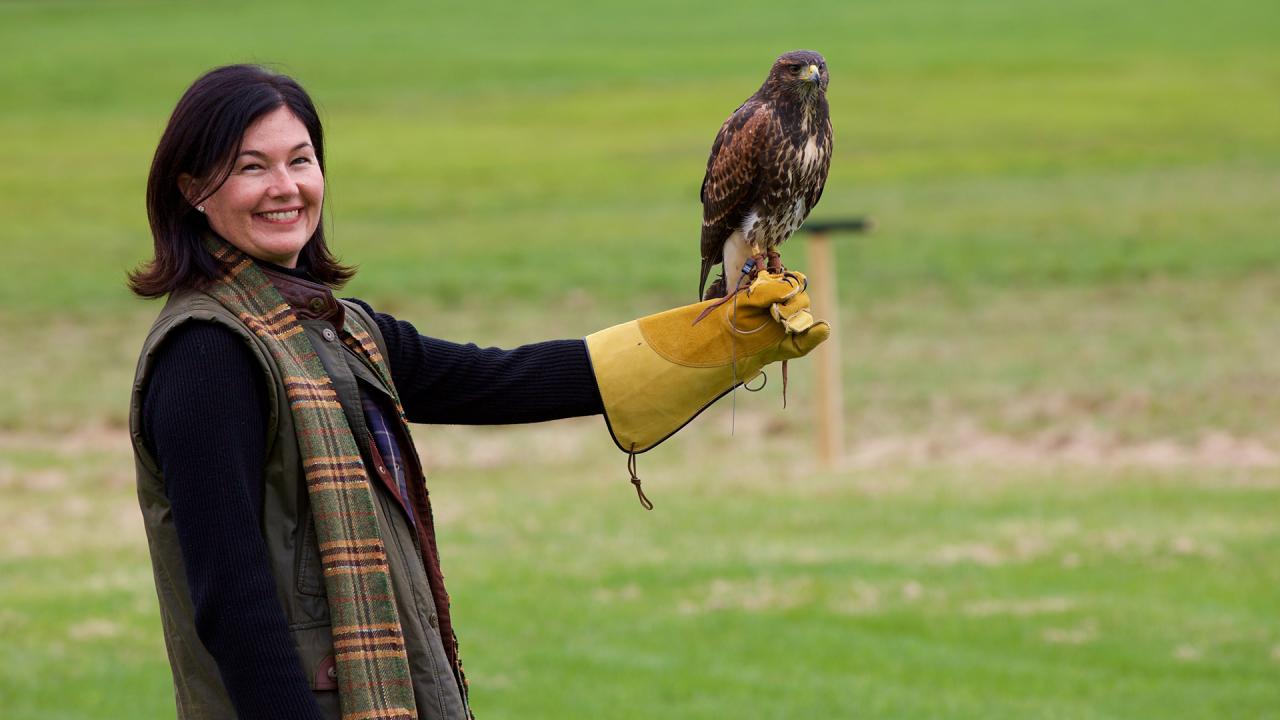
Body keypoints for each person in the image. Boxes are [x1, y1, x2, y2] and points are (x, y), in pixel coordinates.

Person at [127, 64, 828, 720]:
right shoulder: (206, 354)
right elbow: (233, 605)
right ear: (192, 188)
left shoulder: (337, 330)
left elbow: (496, 381)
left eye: (300, 160)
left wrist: (713, 338)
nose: (285, 187)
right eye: (252, 167)